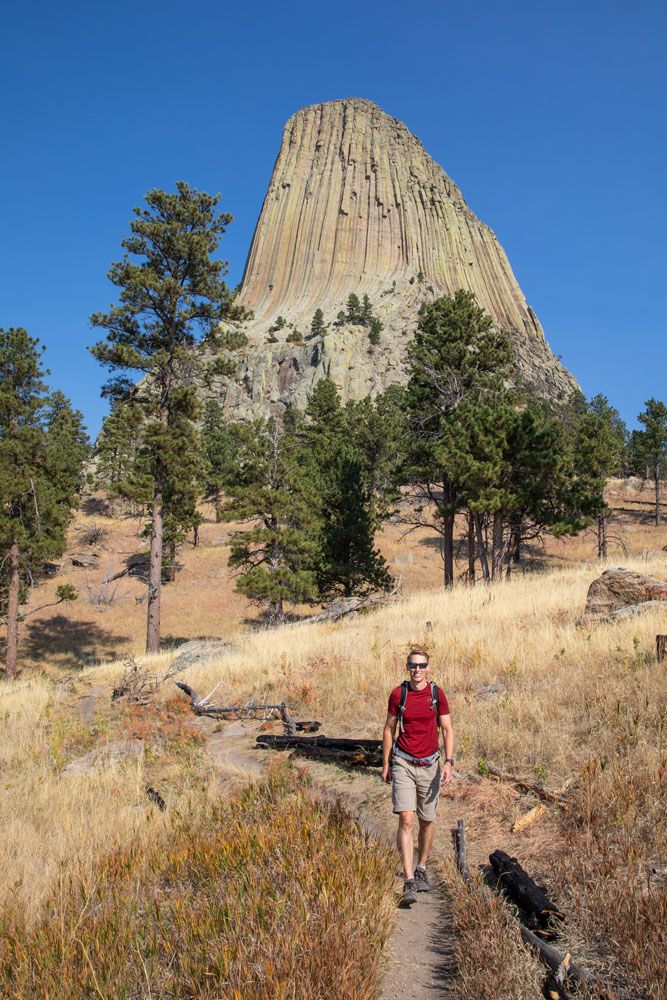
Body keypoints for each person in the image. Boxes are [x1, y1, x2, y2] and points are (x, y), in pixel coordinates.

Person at [381, 649, 454, 906]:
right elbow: (389, 728)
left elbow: (446, 729)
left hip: (430, 764)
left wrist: (448, 762)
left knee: (427, 820)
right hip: (403, 761)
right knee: (406, 818)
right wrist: (386, 762)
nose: (417, 670)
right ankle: (409, 877)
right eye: (413, 665)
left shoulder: (436, 695)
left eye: (422, 665)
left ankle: (421, 867)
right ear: (407, 667)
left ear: (428, 667)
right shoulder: (398, 694)